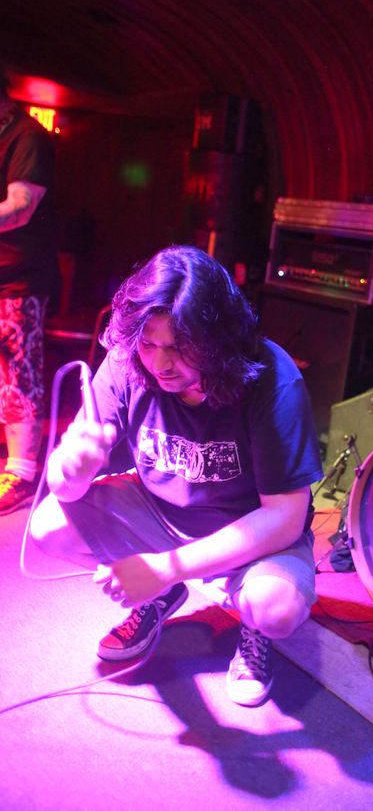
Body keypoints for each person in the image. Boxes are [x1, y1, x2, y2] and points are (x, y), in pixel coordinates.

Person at [30, 245, 323, 706]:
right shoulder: (127, 361)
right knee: (48, 525)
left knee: (274, 609)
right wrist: (70, 470)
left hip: (249, 533)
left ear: (217, 339)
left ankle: (249, 627)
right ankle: (160, 597)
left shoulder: (272, 378)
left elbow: (285, 518)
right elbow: (64, 487)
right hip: (159, 512)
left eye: (181, 347)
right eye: (149, 344)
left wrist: (167, 568)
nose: (161, 363)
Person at [0, 66, 60, 515]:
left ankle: (20, 472)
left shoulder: (28, 136)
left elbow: (20, 207)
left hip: (19, 278)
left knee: (17, 372)